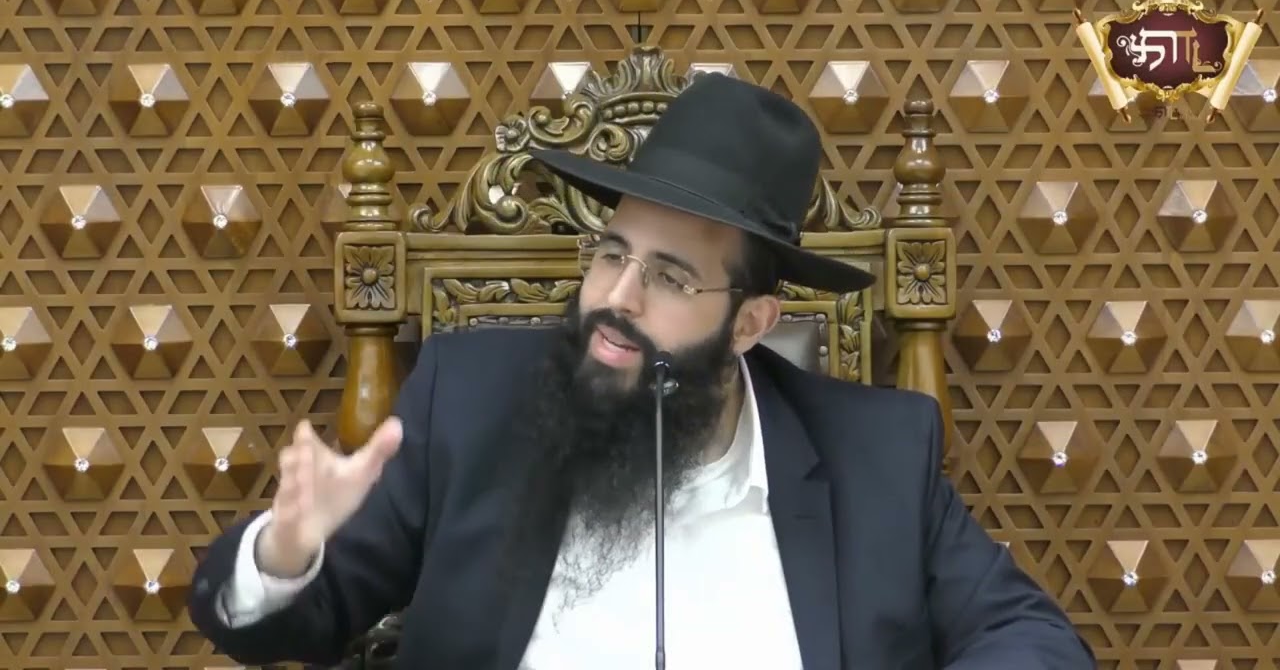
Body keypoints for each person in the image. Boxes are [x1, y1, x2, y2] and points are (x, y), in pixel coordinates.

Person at [187, 73, 1095, 669]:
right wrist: (286, 552)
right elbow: (281, 623)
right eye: (612, 254)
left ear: (751, 322)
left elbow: (1030, 638)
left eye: (669, 277)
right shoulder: (472, 402)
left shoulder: (875, 454)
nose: (615, 298)